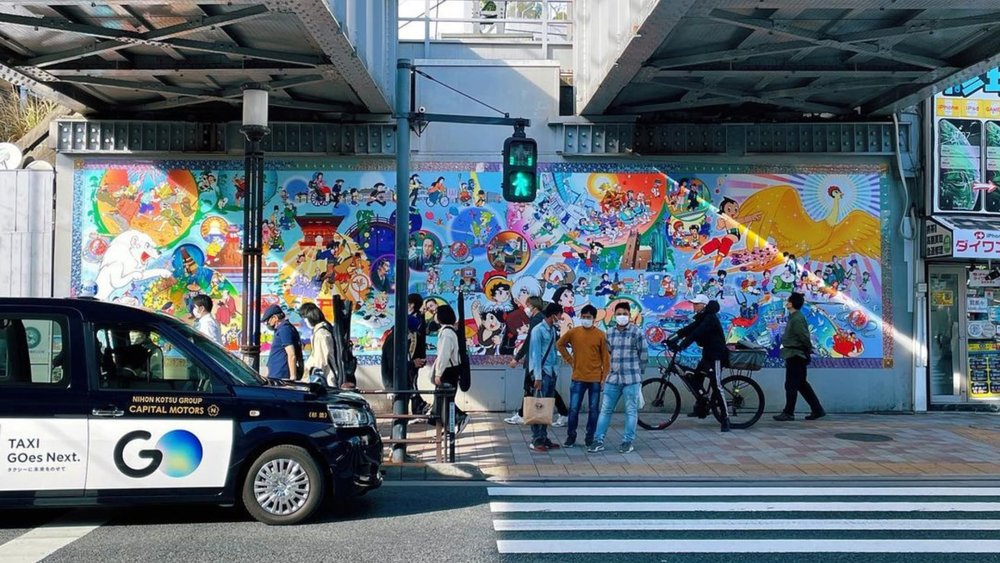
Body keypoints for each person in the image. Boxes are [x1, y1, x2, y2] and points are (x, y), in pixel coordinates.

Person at [589, 302, 647, 454]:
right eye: (619, 313)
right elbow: (608, 354)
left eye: (625, 314)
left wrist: (638, 373)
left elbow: (644, 355)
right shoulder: (609, 332)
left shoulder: (637, 332)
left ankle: (627, 441)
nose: (622, 316)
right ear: (614, 315)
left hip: (631, 379)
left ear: (630, 315)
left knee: (631, 411)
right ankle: (598, 440)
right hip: (613, 379)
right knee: (605, 410)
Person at [669, 294, 732, 432]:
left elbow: (696, 333)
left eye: (697, 304)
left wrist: (682, 346)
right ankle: (702, 409)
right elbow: (689, 329)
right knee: (696, 380)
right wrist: (672, 338)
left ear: (703, 305)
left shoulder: (710, 318)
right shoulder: (702, 316)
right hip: (707, 355)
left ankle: (725, 418)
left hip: (716, 355)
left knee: (716, 385)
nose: (694, 306)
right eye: (694, 303)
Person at [505, 296, 569, 427]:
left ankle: (532, 420)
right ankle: (524, 415)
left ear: (533, 306)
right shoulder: (542, 322)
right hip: (543, 365)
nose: (526, 308)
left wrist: (517, 358)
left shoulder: (538, 323)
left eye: (528, 305)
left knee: (535, 388)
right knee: (535, 388)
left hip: (537, 364)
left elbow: (531, 344)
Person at [556, 304, 610, 448]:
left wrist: (604, 377)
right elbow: (560, 344)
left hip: (595, 379)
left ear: (594, 319)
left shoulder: (600, 335)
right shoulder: (574, 332)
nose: (586, 319)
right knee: (573, 409)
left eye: (589, 317)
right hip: (578, 377)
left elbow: (606, 358)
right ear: (580, 317)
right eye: (584, 317)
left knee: (594, 410)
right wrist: (569, 360)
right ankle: (571, 436)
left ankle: (589, 437)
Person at [774, 292, 825, 421]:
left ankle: (789, 412)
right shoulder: (794, 317)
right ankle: (817, 409)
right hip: (793, 354)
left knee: (791, 384)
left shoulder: (797, 318)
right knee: (801, 384)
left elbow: (804, 336)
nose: (787, 302)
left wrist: (807, 350)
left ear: (792, 303)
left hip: (796, 355)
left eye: (788, 300)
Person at [528, 303, 564, 452]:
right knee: (538, 406)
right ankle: (536, 439)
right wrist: (537, 377)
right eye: (559, 314)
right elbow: (535, 354)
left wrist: (556, 370)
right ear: (553, 314)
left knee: (547, 407)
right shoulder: (538, 330)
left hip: (551, 372)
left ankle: (544, 437)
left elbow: (554, 351)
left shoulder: (553, 330)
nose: (561, 317)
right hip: (542, 373)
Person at [430, 304, 469, 433]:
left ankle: (460, 418)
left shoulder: (446, 333)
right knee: (446, 400)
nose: (434, 316)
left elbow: (444, 355)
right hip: (452, 369)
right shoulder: (449, 331)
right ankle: (449, 429)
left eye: (436, 313)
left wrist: (438, 373)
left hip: (448, 370)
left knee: (445, 400)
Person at [299, 302, 355, 388]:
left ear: (310, 317)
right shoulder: (324, 329)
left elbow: (320, 361)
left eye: (305, 318)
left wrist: (311, 378)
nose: (305, 321)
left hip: (326, 380)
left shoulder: (321, 334)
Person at [262, 303, 303, 381]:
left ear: (275, 318)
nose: (267, 324)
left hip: (282, 376)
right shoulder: (281, 329)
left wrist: (292, 377)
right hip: (276, 375)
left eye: (268, 321)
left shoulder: (285, 329)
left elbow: (291, 354)